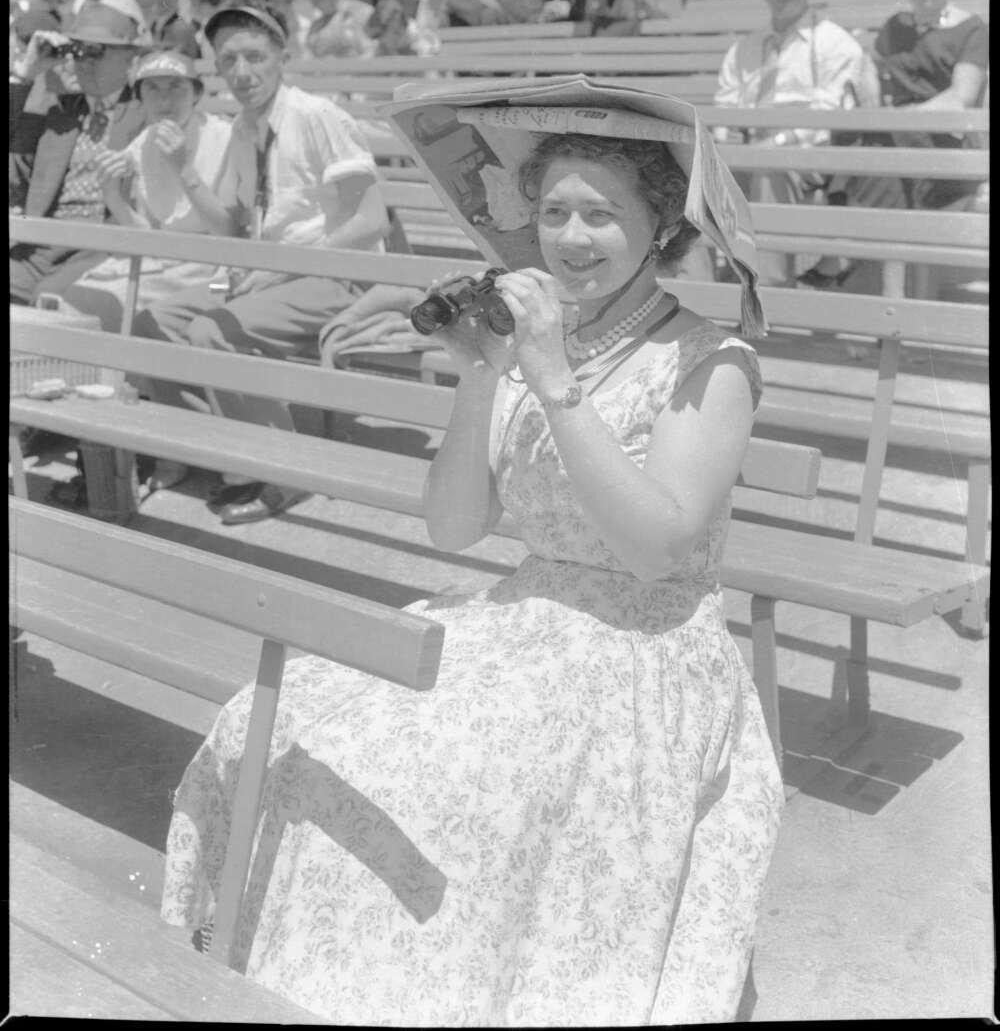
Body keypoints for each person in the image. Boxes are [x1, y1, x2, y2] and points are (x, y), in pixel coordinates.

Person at [159, 82, 784, 1026]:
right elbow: (453, 528)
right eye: (555, 213)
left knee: (440, 777)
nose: (572, 238)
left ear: (661, 225)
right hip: (527, 618)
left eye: (603, 215)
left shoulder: (711, 359)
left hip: (641, 649)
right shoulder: (537, 343)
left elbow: (657, 548)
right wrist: (481, 376)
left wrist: (549, 377)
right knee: (275, 728)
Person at [131, 2, 388, 524]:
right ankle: (219, 445)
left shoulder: (315, 115)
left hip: (339, 276)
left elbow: (371, 221)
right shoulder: (244, 128)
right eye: (229, 61)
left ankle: (287, 471)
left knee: (212, 332)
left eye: (254, 57)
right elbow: (228, 223)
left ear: (282, 57)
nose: (242, 73)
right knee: (149, 323)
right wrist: (185, 169)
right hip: (268, 275)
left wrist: (285, 266)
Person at [714, 0, 895, 288]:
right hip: (748, 148)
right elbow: (725, 104)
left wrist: (777, 141)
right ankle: (701, 299)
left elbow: (830, 113)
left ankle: (768, 293)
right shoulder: (745, 49)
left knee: (770, 165)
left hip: (809, 153)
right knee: (687, 172)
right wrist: (727, 136)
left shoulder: (832, 42)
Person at [47, 50, 235, 338]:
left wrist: (184, 169)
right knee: (71, 296)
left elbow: (230, 233)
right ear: (140, 98)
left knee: (109, 305)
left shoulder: (224, 137)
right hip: (163, 262)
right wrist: (111, 195)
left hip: (218, 276)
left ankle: (124, 380)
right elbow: (146, 235)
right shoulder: (145, 140)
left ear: (196, 94)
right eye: (152, 88)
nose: (164, 100)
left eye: (176, 87)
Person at [10, 3, 147, 304]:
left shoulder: (144, 111)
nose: (83, 62)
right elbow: (14, 161)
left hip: (102, 246)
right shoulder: (58, 109)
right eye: (77, 51)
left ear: (129, 58)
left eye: (96, 51)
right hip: (42, 244)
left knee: (51, 300)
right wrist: (26, 75)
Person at [873, 0, 988, 215]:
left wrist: (905, 120)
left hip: (943, 141)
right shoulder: (892, 28)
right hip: (894, 141)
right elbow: (871, 81)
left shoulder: (972, 30)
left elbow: (961, 98)